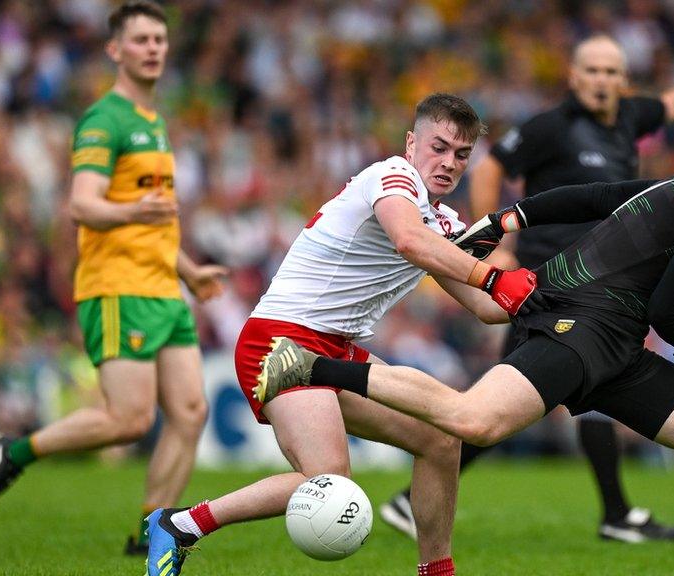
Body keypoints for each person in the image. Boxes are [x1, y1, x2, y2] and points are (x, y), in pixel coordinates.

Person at [260, 131, 674, 576]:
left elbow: (603, 198)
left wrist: (516, 217)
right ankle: (309, 366)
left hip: (613, 341)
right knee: (472, 421)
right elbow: (668, 312)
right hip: (584, 324)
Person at [381, 33, 674, 544]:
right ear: (574, 77)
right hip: (546, 281)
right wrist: (502, 242)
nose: (601, 81)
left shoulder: (630, 118)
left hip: (605, 291)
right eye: (592, 71)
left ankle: (614, 512)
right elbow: (490, 167)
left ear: (624, 80)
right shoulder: (552, 127)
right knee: (496, 408)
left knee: (560, 392)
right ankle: (408, 481)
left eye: (610, 72)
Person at [144, 93, 540, 576]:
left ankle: (436, 571)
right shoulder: (392, 176)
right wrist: (496, 278)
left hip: (334, 350)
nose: (448, 162)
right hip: (281, 342)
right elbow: (409, 241)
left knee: (440, 437)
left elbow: (485, 308)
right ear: (412, 142)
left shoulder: (444, 223)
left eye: (461, 154)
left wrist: (552, 290)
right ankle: (180, 524)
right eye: (439, 146)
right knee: (328, 479)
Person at [0, 0, 228, 556]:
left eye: (160, 40)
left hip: (163, 287)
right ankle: (12, 453)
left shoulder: (153, 123)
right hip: (117, 288)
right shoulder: (103, 120)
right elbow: (82, 206)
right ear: (115, 50)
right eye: (141, 40)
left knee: (190, 411)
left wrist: (191, 271)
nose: (153, 49)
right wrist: (137, 213)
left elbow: (154, 220)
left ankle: (151, 532)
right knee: (130, 420)